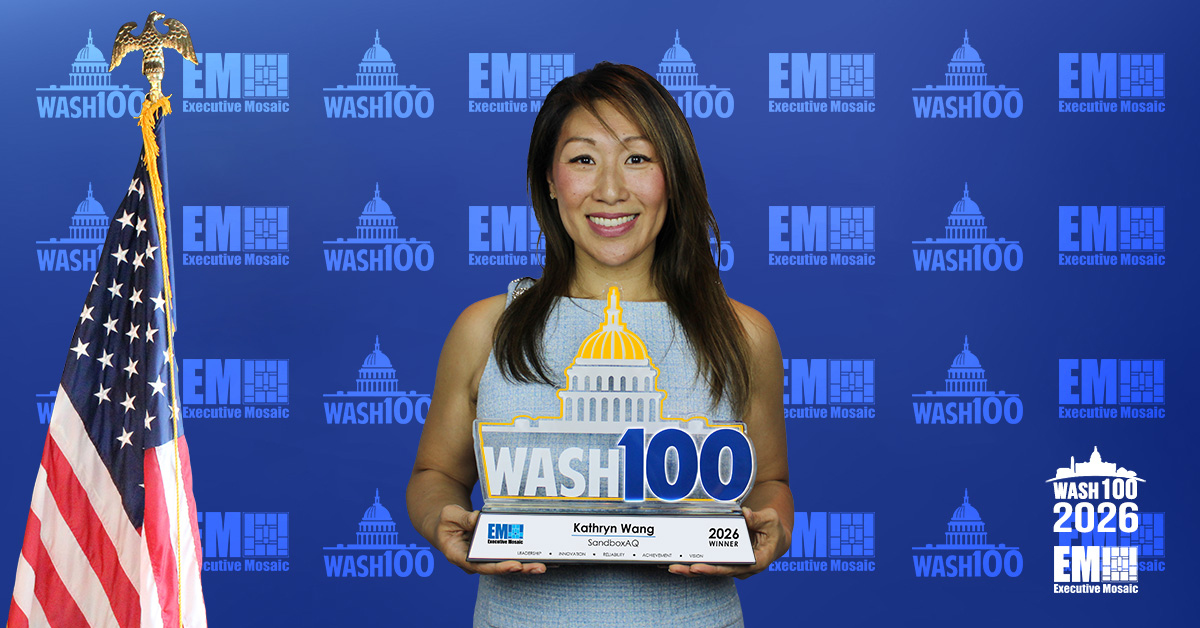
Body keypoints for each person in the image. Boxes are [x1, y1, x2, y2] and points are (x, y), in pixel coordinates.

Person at [407, 62, 792, 627]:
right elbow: (434, 473)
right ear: (548, 179)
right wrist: (444, 517)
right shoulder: (487, 329)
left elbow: (771, 483)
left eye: (637, 158)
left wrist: (772, 530)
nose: (610, 190)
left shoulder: (744, 335)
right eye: (583, 159)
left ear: (674, 175)